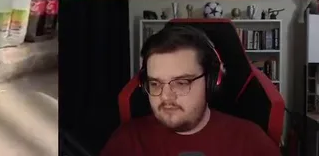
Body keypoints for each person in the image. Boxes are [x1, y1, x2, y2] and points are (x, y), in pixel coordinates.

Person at [101, 24, 279, 155]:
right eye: (155, 83)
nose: (166, 96)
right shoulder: (126, 142)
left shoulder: (251, 142)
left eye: (181, 83)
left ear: (211, 81)